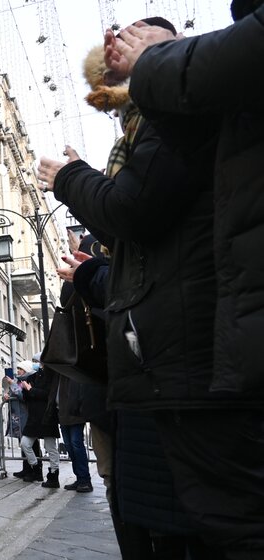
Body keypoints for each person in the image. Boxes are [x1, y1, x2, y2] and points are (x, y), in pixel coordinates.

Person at [104, 4, 264, 553]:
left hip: (189, 352)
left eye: (144, 36)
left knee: (219, 524)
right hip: (178, 352)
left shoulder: (185, 104)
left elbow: (133, 208)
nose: (126, 41)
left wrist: (69, 178)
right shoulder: (152, 124)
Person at [19, 359, 60, 488]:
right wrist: (26, 390)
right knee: (25, 444)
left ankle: (54, 474)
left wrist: (31, 390)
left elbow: (48, 395)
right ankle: (36, 467)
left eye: (40, 362)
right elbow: (26, 395)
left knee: (50, 447)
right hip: (34, 417)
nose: (38, 364)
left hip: (47, 416)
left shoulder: (52, 376)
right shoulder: (32, 376)